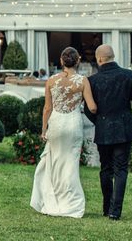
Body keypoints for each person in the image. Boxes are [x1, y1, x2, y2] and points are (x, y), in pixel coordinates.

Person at [31, 47, 97, 218]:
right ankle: (71, 205)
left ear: (61, 61)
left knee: (55, 162)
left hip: (56, 124)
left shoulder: (51, 81)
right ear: (78, 61)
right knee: (70, 164)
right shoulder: (83, 81)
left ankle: (53, 201)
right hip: (73, 124)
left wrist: (44, 129)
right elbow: (92, 107)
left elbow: (47, 108)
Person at [85, 44, 132, 221]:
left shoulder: (92, 80)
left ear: (100, 59)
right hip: (124, 129)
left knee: (106, 169)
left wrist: (100, 122)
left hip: (103, 129)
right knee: (121, 169)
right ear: (113, 56)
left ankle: (106, 207)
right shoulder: (128, 75)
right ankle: (115, 211)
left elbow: (88, 109)